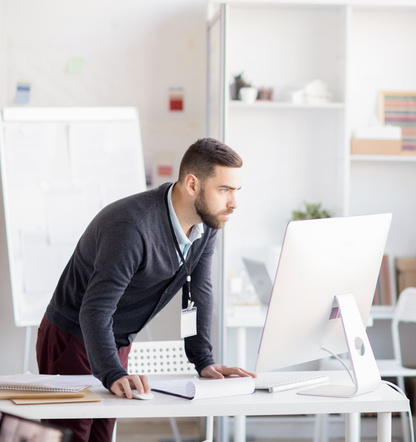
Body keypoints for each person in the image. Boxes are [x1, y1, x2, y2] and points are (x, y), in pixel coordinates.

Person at [36, 137, 256, 442]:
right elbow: (95, 309)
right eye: (224, 190)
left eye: (236, 191)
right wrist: (112, 372)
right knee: (72, 437)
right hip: (74, 335)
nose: (234, 203)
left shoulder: (205, 225)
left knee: (101, 435)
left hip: (114, 339)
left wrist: (203, 360)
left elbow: (199, 290)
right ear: (192, 184)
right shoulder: (132, 227)